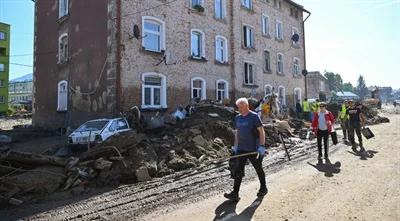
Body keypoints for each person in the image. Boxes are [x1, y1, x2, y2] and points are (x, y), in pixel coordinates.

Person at [224, 98, 268, 201]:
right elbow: (237, 133)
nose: (239, 109)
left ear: (246, 106)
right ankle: (235, 193)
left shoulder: (254, 116)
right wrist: (235, 146)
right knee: (238, 170)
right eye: (238, 107)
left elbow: (261, 131)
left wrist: (261, 146)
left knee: (258, 168)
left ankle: (263, 187)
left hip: (253, 148)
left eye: (241, 107)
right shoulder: (238, 118)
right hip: (241, 149)